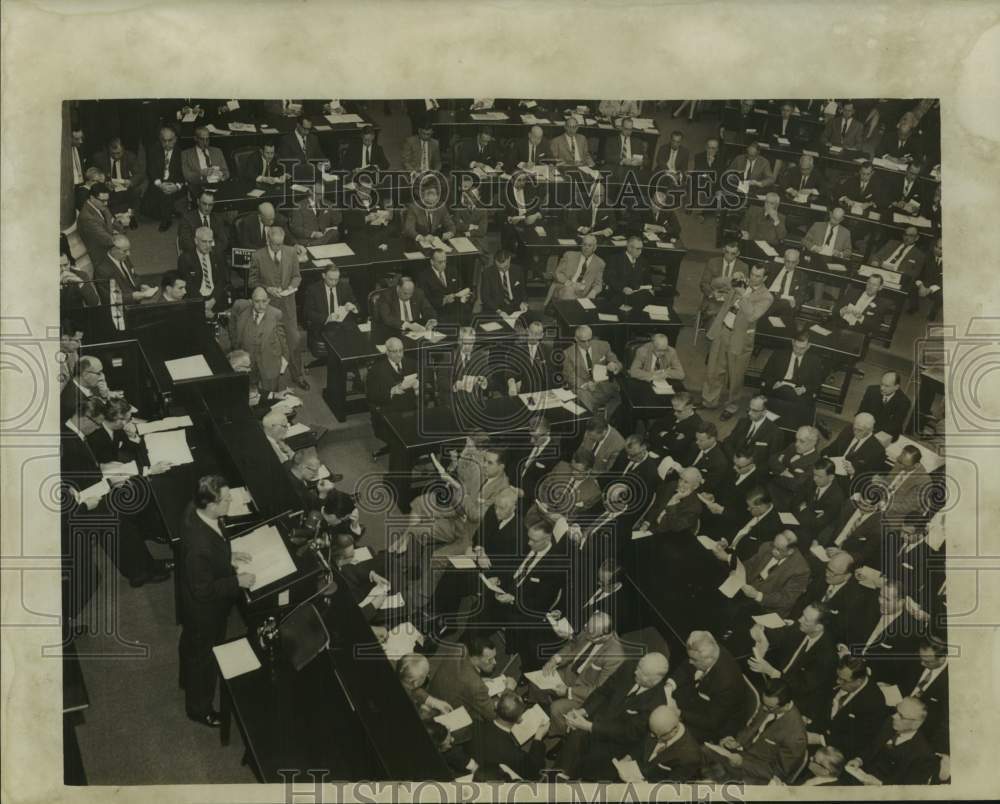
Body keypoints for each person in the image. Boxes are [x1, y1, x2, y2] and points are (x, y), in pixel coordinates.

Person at [178, 476, 255, 727]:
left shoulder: (195, 510)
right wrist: (237, 582)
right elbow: (203, 590)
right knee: (205, 658)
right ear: (211, 505)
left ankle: (186, 680)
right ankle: (199, 709)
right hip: (204, 611)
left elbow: (214, 544)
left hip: (192, 603)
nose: (232, 500)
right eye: (227, 499)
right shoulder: (199, 546)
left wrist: (227, 556)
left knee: (191, 645)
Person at [555, 653, 671, 781]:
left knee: (589, 759)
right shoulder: (629, 666)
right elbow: (604, 691)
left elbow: (628, 732)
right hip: (597, 721)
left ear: (656, 680)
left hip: (615, 743)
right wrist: (583, 711)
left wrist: (590, 727)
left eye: (642, 673)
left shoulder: (657, 703)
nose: (636, 672)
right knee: (574, 740)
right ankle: (561, 775)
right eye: (638, 667)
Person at [533, 612, 625, 736]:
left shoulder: (615, 656)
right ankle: (543, 710)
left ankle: (560, 732)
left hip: (584, 690)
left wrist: (568, 691)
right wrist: (555, 659)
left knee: (556, 709)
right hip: (569, 672)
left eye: (590, 634)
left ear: (604, 637)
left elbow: (599, 691)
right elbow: (572, 645)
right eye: (586, 628)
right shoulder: (590, 629)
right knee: (537, 680)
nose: (585, 633)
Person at [702, 263, 774, 420]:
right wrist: (732, 277)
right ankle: (709, 401)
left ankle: (732, 406)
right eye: (752, 274)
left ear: (765, 278)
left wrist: (743, 294)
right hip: (723, 331)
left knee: (735, 376)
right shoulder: (741, 282)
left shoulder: (766, 296)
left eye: (758, 276)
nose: (753, 278)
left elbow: (752, 315)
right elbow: (715, 284)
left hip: (741, 339)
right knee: (714, 369)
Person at [748, 603, 839, 725]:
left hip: (798, 699)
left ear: (818, 627)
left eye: (806, 619)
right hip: (779, 682)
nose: (799, 620)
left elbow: (802, 686)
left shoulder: (827, 657)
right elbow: (781, 635)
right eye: (802, 615)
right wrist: (761, 630)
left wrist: (771, 671)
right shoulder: (801, 628)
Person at [709, 682, 807, 784]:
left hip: (756, 774)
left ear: (786, 706)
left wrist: (743, 763)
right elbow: (752, 727)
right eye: (763, 703)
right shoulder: (769, 705)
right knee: (704, 753)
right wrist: (737, 742)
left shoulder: (796, 735)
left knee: (712, 778)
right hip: (741, 755)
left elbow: (777, 773)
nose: (764, 708)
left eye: (769, 707)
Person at [249, 226, 307, 390]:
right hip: (268, 307)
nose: (278, 247)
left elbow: (297, 276)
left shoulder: (291, 252)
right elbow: (252, 282)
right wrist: (267, 288)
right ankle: (265, 380)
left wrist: (292, 286)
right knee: (267, 343)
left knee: (294, 340)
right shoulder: (257, 256)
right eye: (275, 244)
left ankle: (298, 375)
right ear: (268, 240)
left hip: (288, 306)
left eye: (280, 244)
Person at [668, 631, 747, 743]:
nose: (690, 661)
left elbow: (712, 722)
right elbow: (687, 667)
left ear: (709, 659)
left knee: (674, 735)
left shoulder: (727, 683)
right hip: (702, 699)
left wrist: (680, 713)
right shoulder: (710, 649)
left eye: (694, 660)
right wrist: (669, 686)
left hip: (717, 723)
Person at [808, 656, 886, 762]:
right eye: (838, 677)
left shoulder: (874, 702)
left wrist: (821, 739)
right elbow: (822, 704)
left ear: (858, 681)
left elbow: (858, 740)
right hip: (817, 735)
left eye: (843, 680)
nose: (838, 681)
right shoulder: (841, 676)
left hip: (840, 753)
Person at [847, 697, 936, 785]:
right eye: (896, 711)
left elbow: (907, 788)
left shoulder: (923, 755)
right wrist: (859, 760)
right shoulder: (889, 724)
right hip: (862, 774)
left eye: (901, 716)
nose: (894, 716)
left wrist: (880, 784)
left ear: (916, 724)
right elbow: (873, 746)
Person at [427, 635, 513, 722]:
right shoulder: (476, 686)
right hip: (445, 713)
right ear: (475, 659)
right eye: (490, 660)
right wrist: (508, 690)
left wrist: (478, 679)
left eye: (494, 657)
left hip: (432, 694)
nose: (495, 662)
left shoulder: (460, 648)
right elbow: (492, 714)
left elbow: (460, 675)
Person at [469, 691, 549, 780]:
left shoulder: (477, 725)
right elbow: (535, 771)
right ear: (519, 720)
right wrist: (538, 736)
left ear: (496, 705)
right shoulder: (514, 754)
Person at [760, 328, 826, 426]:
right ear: (792, 342)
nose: (798, 351)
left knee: (791, 402)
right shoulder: (779, 354)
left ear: (808, 346)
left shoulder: (814, 361)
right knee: (788, 397)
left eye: (802, 348)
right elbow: (765, 375)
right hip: (779, 388)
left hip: (798, 392)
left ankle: (779, 423)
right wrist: (773, 383)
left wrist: (804, 389)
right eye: (796, 347)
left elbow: (817, 384)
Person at [228, 287, 289, 393]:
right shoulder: (242, 312)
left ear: (268, 300)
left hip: (269, 362)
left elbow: (283, 340)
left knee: (270, 394)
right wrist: (236, 350)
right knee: (250, 392)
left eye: (264, 301)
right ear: (251, 301)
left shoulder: (276, 314)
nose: (261, 305)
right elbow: (233, 328)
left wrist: (284, 360)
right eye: (257, 301)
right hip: (249, 363)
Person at [366, 337, 419, 456]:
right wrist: (392, 391)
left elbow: (426, 383)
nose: (399, 354)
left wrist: (418, 387)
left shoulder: (411, 363)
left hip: (410, 409)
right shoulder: (376, 370)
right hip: (389, 411)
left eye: (401, 350)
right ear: (387, 352)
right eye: (394, 351)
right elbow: (371, 396)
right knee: (401, 438)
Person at [560, 324, 623, 417]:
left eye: (589, 340)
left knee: (621, 399)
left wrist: (615, 366)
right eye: (583, 341)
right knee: (583, 398)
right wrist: (585, 385)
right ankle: (593, 420)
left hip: (604, 385)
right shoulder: (568, 353)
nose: (587, 344)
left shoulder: (603, 345)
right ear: (576, 339)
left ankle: (606, 420)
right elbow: (570, 375)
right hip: (584, 390)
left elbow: (617, 362)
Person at [631, 705, 704, 782]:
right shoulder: (658, 727)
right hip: (636, 769)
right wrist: (629, 757)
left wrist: (641, 782)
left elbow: (669, 786)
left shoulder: (690, 757)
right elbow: (643, 745)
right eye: (651, 732)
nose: (652, 736)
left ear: (674, 731)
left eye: (656, 735)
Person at [822, 412, 887, 493]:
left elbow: (868, 479)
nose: (855, 432)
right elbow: (832, 448)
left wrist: (854, 472)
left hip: (847, 484)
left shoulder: (877, 451)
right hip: (830, 471)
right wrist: (825, 456)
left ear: (870, 430)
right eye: (854, 428)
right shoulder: (848, 430)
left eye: (860, 430)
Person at [302, 264, 359, 356]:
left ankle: (348, 360)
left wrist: (353, 307)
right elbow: (307, 313)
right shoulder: (313, 290)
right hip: (324, 324)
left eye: (336, 279)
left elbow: (355, 303)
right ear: (323, 276)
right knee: (337, 340)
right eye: (331, 279)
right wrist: (327, 318)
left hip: (343, 323)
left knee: (356, 338)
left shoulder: (345, 286)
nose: (334, 283)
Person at [177, 226, 229, 316]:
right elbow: (188, 285)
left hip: (215, 296)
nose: (208, 245)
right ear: (196, 241)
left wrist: (213, 300)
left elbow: (222, 280)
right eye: (204, 242)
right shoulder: (185, 259)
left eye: (210, 242)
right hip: (196, 298)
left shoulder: (218, 255)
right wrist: (202, 303)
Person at [791, 458, 846, 543]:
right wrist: (807, 512)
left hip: (813, 534)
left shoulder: (837, 497)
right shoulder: (811, 481)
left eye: (819, 476)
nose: (815, 479)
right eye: (814, 475)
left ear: (831, 477)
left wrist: (804, 509)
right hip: (796, 521)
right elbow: (795, 501)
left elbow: (821, 523)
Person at [94, 233, 158, 305]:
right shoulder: (102, 270)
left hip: (135, 303)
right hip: (122, 308)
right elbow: (110, 298)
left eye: (128, 250)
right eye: (125, 251)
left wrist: (141, 286)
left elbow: (133, 276)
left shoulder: (124, 258)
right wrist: (134, 296)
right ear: (113, 249)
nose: (128, 254)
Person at [91, 136, 146, 219]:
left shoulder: (130, 157)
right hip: (108, 189)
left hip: (126, 188)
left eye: (118, 153)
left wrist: (131, 182)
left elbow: (140, 174)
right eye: (113, 154)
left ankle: (130, 214)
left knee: (136, 191)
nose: (116, 156)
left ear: (123, 149)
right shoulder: (99, 158)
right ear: (108, 150)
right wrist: (105, 182)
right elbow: (92, 174)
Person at [144, 126, 186, 231]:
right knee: (145, 210)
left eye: (170, 140)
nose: (167, 144)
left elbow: (184, 174)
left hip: (176, 184)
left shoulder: (182, 152)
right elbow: (151, 170)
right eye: (164, 141)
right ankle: (170, 210)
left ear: (175, 139)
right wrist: (160, 184)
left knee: (167, 194)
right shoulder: (153, 150)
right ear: (160, 139)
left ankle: (167, 219)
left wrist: (176, 186)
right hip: (159, 183)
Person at [721, 395, 781, 468]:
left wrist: (750, 462)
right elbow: (728, 441)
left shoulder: (775, 432)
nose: (749, 413)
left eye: (754, 410)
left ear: (764, 412)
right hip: (733, 461)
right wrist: (734, 458)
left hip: (753, 468)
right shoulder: (742, 422)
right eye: (749, 409)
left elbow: (771, 458)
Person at [77, 183, 126, 266]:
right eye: (103, 201)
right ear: (92, 198)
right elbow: (107, 240)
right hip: (102, 255)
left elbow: (118, 226)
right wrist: (115, 233)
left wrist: (117, 231)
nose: (106, 203)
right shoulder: (87, 218)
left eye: (107, 200)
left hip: (109, 246)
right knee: (124, 248)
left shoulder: (100, 206)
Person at [420, 248, 472, 326]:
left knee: (467, 313)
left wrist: (465, 295)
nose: (444, 264)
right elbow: (425, 300)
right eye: (440, 262)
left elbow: (460, 287)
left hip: (456, 308)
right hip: (438, 311)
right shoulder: (424, 277)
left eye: (445, 261)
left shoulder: (452, 270)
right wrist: (443, 300)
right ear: (432, 262)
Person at [504, 318, 554, 398]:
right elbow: (510, 371)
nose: (533, 336)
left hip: (542, 392)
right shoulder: (517, 349)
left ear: (541, 335)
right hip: (523, 390)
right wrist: (512, 383)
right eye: (531, 332)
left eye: (537, 334)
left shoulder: (548, 350)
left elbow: (551, 374)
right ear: (527, 331)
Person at [699, 242, 748, 321]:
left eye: (733, 254)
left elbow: (743, 289)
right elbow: (704, 283)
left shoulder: (743, 267)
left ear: (738, 253)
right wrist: (713, 293)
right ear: (723, 250)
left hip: (731, 301)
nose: (729, 256)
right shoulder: (712, 262)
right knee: (715, 317)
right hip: (714, 300)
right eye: (727, 252)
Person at [548, 234, 605, 303]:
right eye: (584, 244)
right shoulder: (569, 255)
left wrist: (593, 292)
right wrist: (569, 283)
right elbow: (558, 273)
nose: (586, 247)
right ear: (581, 245)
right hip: (564, 287)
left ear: (594, 248)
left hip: (583, 292)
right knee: (569, 291)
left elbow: (598, 284)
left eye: (589, 245)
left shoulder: (599, 263)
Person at [857, 371, 911, 442]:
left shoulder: (904, 402)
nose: (882, 388)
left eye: (887, 386)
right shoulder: (871, 390)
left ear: (896, 387)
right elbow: (861, 411)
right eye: (881, 384)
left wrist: (871, 433)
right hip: (867, 427)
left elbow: (894, 425)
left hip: (887, 433)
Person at [870, 226, 926, 291]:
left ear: (917, 238)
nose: (907, 238)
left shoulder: (919, 255)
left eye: (911, 236)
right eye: (905, 235)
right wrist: (875, 261)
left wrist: (901, 273)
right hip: (880, 270)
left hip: (895, 278)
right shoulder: (892, 243)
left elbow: (915, 273)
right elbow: (877, 256)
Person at [603, 236, 652, 307]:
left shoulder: (643, 261)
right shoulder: (615, 259)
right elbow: (609, 278)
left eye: (641, 249)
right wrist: (623, 288)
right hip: (619, 295)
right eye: (638, 249)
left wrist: (650, 288)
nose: (640, 252)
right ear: (629, 248)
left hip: (638, 297)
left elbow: (648, 280)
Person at [178, 189, 230, 256]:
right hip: (194, 255)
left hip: (214, 254)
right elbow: (185, 242)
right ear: (198, 202)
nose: (207, 208)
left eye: (210, 205)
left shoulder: (218, 219)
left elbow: (223, 241)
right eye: (204, 204)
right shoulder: (187, 218)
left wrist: (211, 251)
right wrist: (202, 250)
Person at [180, 126, 229, 195]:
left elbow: (226, 172)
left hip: (217, 186)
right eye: (202, 139)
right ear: (195, 138)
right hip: (198, 188)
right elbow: (186, 175)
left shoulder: (217, 151)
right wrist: (201, 173)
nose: (205, 142)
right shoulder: (186, 154)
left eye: (207, 139)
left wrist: (222, 176)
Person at [278, 115, 328, 179]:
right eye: (304, 129)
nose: (307, 132)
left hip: (312, 176)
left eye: (309, 129)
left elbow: (320, 156)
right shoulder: (286, 140)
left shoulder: (313, 138)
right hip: (295, 177)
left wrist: (326, 163)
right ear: (298, 125)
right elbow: (289, 165)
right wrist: (315, 168)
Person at [480, 250, 527, 317]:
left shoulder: (518, 270)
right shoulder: (487, 273)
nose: (503, 270)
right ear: (495, 261)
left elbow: (523, 291)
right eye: (500, 268)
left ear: (509, 259)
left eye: (506, 266)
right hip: (495, 308)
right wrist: (499, 311)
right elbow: (485, 297)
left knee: (533, 319)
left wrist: (523, 303)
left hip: (515, 306)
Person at [765, 248, 808, 316]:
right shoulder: (774, 267)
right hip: (769, 298)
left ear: (798, 262)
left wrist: (795, 302)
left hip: (786, 304)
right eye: (788, 261)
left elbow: (802, 295)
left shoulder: (801, 276)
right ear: (784, 259)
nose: (790, 265)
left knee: (785, 304)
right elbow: (761, 268)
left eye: (793, 262)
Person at [602, 116, 648, 181]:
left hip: (632, 168)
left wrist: (641, 162)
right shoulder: (612, 140)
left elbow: (646, 160)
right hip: (617, 166)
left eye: (630, 129)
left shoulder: (638, 142)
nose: (628, 132)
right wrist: (623, 161)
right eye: (626, 129)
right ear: (621, 127)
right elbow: (607, 157)